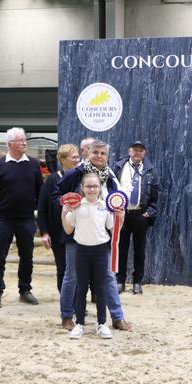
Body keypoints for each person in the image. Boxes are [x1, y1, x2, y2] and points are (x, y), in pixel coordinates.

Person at [53, 140, 131, 331]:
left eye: (102, 153)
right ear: (87, 153)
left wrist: (119, 215)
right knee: (71, 276)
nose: (98, 156)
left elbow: (118, 204)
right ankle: (66, 316)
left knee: (109, 277)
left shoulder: (111, 178)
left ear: (107, 156)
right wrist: (68, 206)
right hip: (76, 236)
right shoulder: (75, 174)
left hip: (103, 236)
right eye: (95, 152)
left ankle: (117, 317)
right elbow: (56, 196)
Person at [61, 173, 123, 340]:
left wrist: (120, 215)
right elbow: (68, 229)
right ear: (82, 188)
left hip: (101, 252)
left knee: (101, 288)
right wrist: (64, 212)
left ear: (99, 188)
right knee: (81, 288)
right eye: (88, 186)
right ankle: (79, 323)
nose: (92, 189)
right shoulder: (77, 206)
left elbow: (113, 227)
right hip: (81, 251)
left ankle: (102, 323)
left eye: (95, 186)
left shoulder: (105, 206)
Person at [0, 127, 43, 308]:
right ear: (10, 144)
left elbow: (40, 192)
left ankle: (25, 290)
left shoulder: (34, 164)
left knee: (27, 256)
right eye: (20, 140)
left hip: (26, 218)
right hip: (3, 219)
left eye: (25, 139)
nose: (24, 143)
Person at [114, 141, 159, 295]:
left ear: (144, 153)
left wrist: (150, 212)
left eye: (141, 150)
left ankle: (137, 282)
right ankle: (120, 281)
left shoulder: (150, 171)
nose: (138, 153)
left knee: (140, 250)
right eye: (135, 150)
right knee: (121, 248)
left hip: (140, 215)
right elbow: (112, 189)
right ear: (129, 151)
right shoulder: (119, 168)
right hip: (122, 214)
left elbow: (155, 195)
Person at [38, 144, 80, 293]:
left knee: (78, 269)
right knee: (63, 268)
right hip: (57, 232)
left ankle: (77, 302)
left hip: (79, 232)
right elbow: (42, 207)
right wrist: (44, 232)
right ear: (62, 159)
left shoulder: (82, 178)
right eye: (73, 157)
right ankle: (66, 301)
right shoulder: (52, 180)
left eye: (77, 157)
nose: (77, 160)